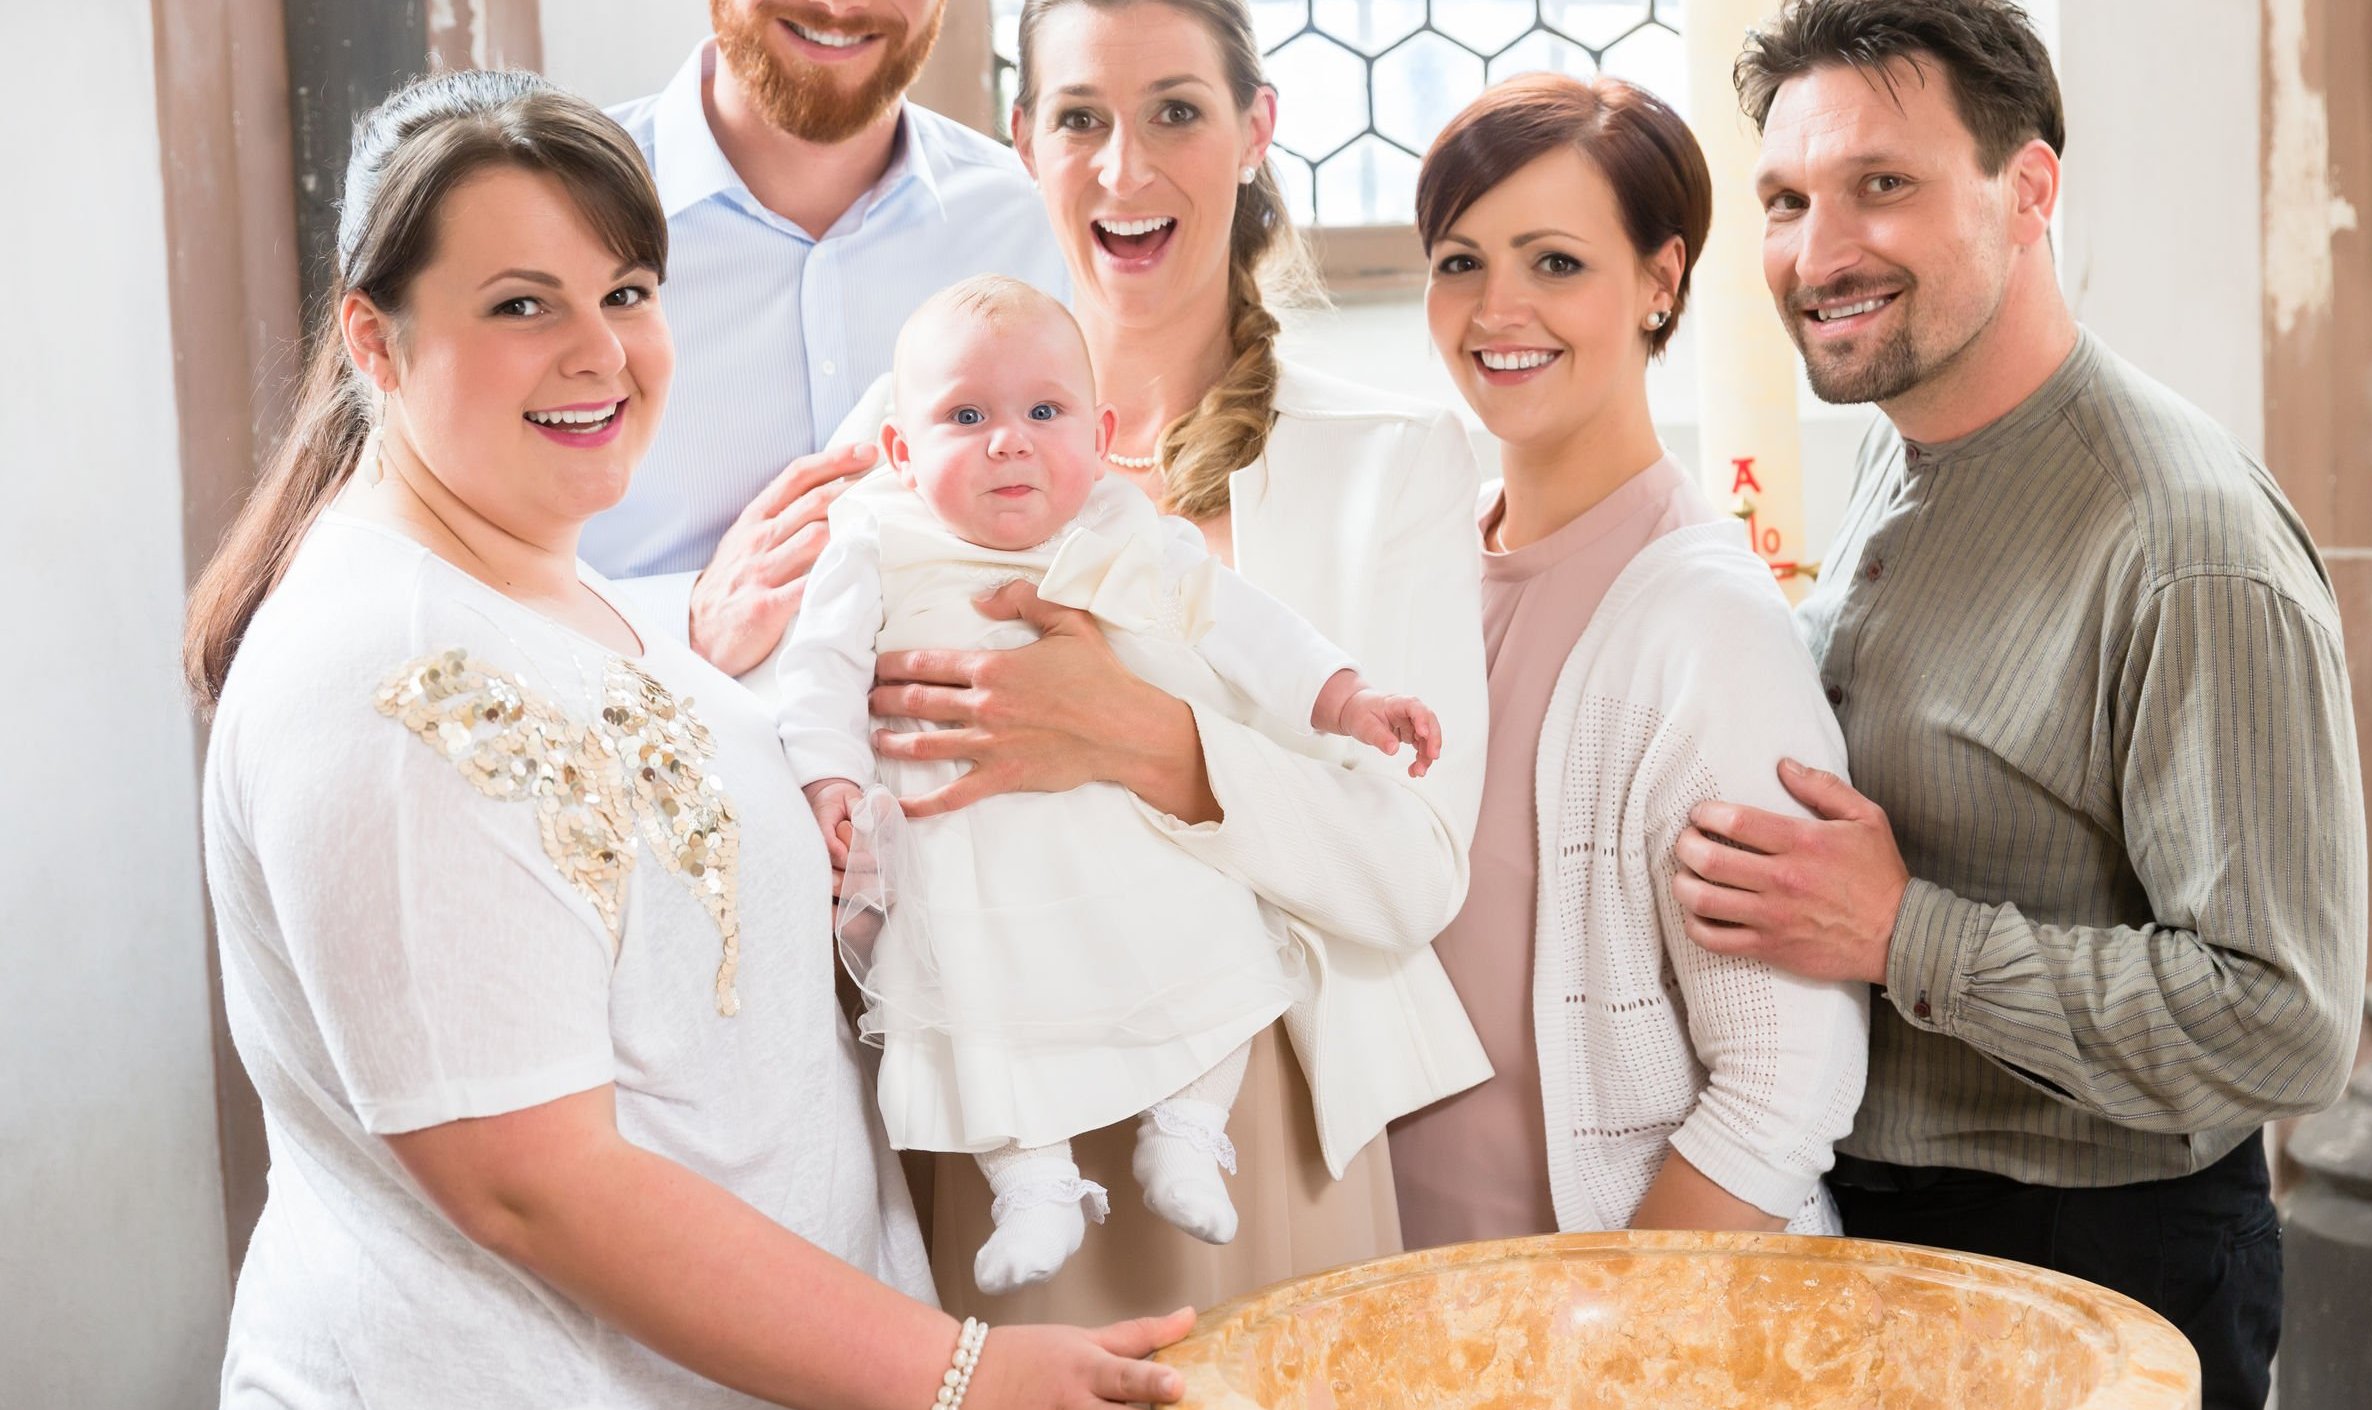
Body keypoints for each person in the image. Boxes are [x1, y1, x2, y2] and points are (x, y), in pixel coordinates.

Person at [184, 69, 1188, 1410]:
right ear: (375, 342)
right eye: (520, 304)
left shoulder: (538, 569)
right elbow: (536, 1185)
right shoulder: (396, 673)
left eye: (626, 291)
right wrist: (960, 1375)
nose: (598, 351)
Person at [1673, 4, 2367, 1405]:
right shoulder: (1913, 433)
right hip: (1885, 1226)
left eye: (1885, 184)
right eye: (1787, 199)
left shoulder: (2187, 545)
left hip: (2093, 1257)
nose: (1820, 251)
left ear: (2030, 190)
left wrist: (1896, 929)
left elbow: (2285, 1019)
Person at [880, 0, 1496, 1322]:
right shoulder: (905, 445)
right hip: (988, 1103)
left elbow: (1412, 870)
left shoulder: (1388, 460)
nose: (1124, 167)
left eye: (1176, 111)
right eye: (1080, 118)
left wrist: (1140, 738)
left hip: (1250, 1101)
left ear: (1257, 129)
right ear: (1022, 140)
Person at [776, 275, 1442, 1296]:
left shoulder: (1121, 531)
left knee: (1215, 948)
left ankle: (1187, 1130)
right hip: (970, 860)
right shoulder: (878, 537)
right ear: (903, 453)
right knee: (975, 1007)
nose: (1010, 441)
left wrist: (1346, 699)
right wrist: (826, 784)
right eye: (967, 416)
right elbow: (815, 671)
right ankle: (1032, 1184)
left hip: (1124, 842)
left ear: (1099, 435)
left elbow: (1244, 625)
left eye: (1044, 413)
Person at [1384, 73, 1869, 1250]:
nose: (1499, 308)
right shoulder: (1410, 567)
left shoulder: (1705, 628)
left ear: (1661, 280)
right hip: (1401, 1317)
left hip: (1617, 1334)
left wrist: (1596, 1339)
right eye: (1461, 261)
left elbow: (1780, 1090)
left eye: (1556, 262)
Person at [594, 0, 1067, 675]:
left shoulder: (1038, 225)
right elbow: (435, 558)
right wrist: (681, 622)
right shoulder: (546, 210)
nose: (842, 7)